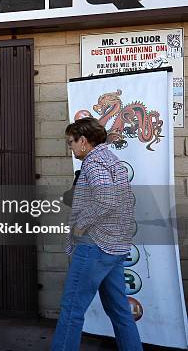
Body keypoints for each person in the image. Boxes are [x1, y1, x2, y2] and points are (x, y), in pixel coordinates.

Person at [51, 117, 142, 350]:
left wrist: (81, 224)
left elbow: (106, 199)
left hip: (95, 246)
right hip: (115, 246)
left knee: (72, 309)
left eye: (71, 142)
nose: (70, 147)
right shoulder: (111, 159)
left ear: (83, 141)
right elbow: (126, 199)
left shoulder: (94, 163)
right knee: (120, 310)